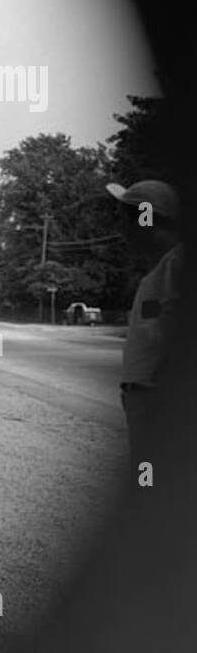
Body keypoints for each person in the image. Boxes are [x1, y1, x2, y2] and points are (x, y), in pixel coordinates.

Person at [107, 179, 183, 472]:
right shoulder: (161, 270)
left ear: (146, 218)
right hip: (145, 397)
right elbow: (158, 322)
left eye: (127, 220)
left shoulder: (179, 264)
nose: (122, 231)